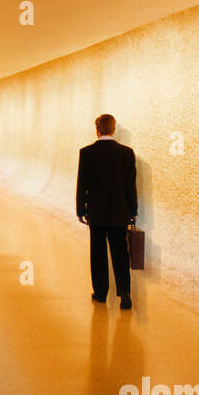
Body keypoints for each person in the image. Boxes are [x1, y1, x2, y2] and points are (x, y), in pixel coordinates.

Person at [75, 114, 137, 309]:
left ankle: (101, 294)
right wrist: (133, 211)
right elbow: (130, 186)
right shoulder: (127, 153)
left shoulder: (86, 153)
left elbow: (81, 184)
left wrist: (80, 209)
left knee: (98, 253)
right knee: (121, 253)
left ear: (97, 129)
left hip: (96, 213)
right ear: (113, 128)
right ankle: (125, 293)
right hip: (120, 212)